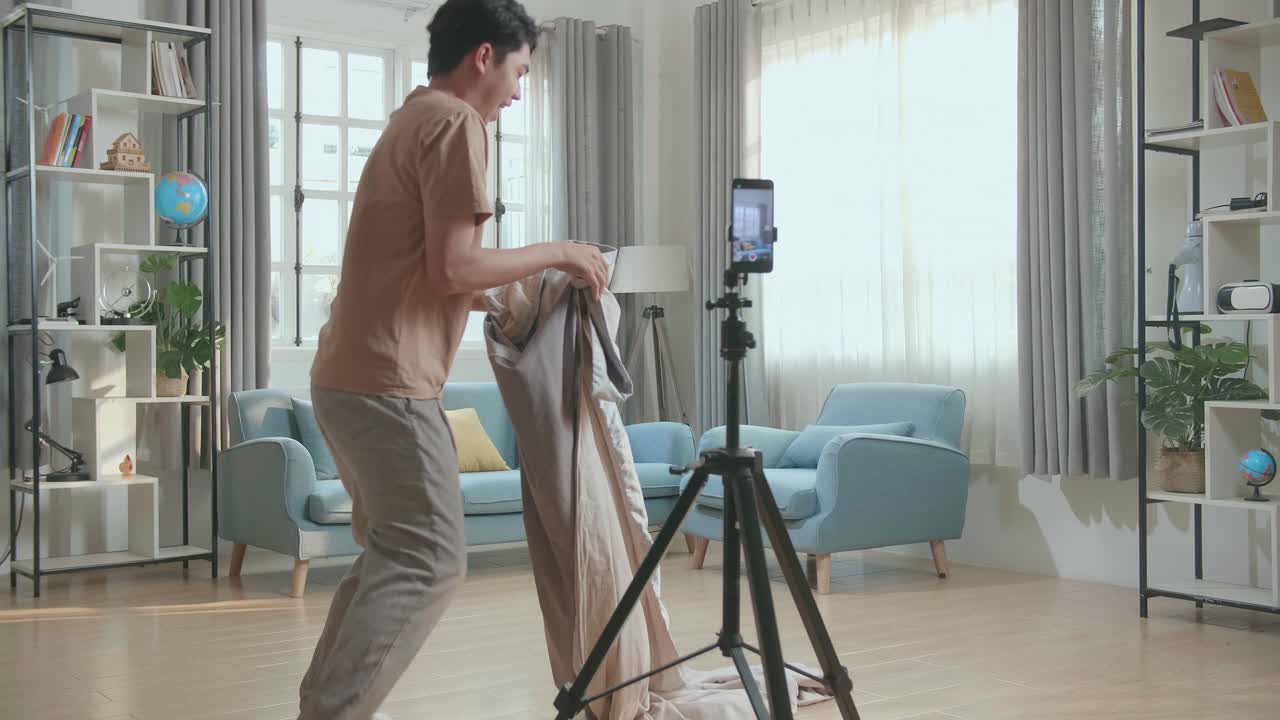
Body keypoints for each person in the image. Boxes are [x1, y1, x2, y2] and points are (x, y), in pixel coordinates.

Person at [296, 1, 607, 718]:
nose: (518, 92)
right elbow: (453, 267)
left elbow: (421, 270)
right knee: (430, 557)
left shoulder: (411, 118)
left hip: (347, 376)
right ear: (484, 57)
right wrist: (561, 251)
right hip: (390, 382)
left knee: (391, 554)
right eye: (519, 72)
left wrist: (507, 298)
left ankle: (323, 705)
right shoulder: (456, 122)